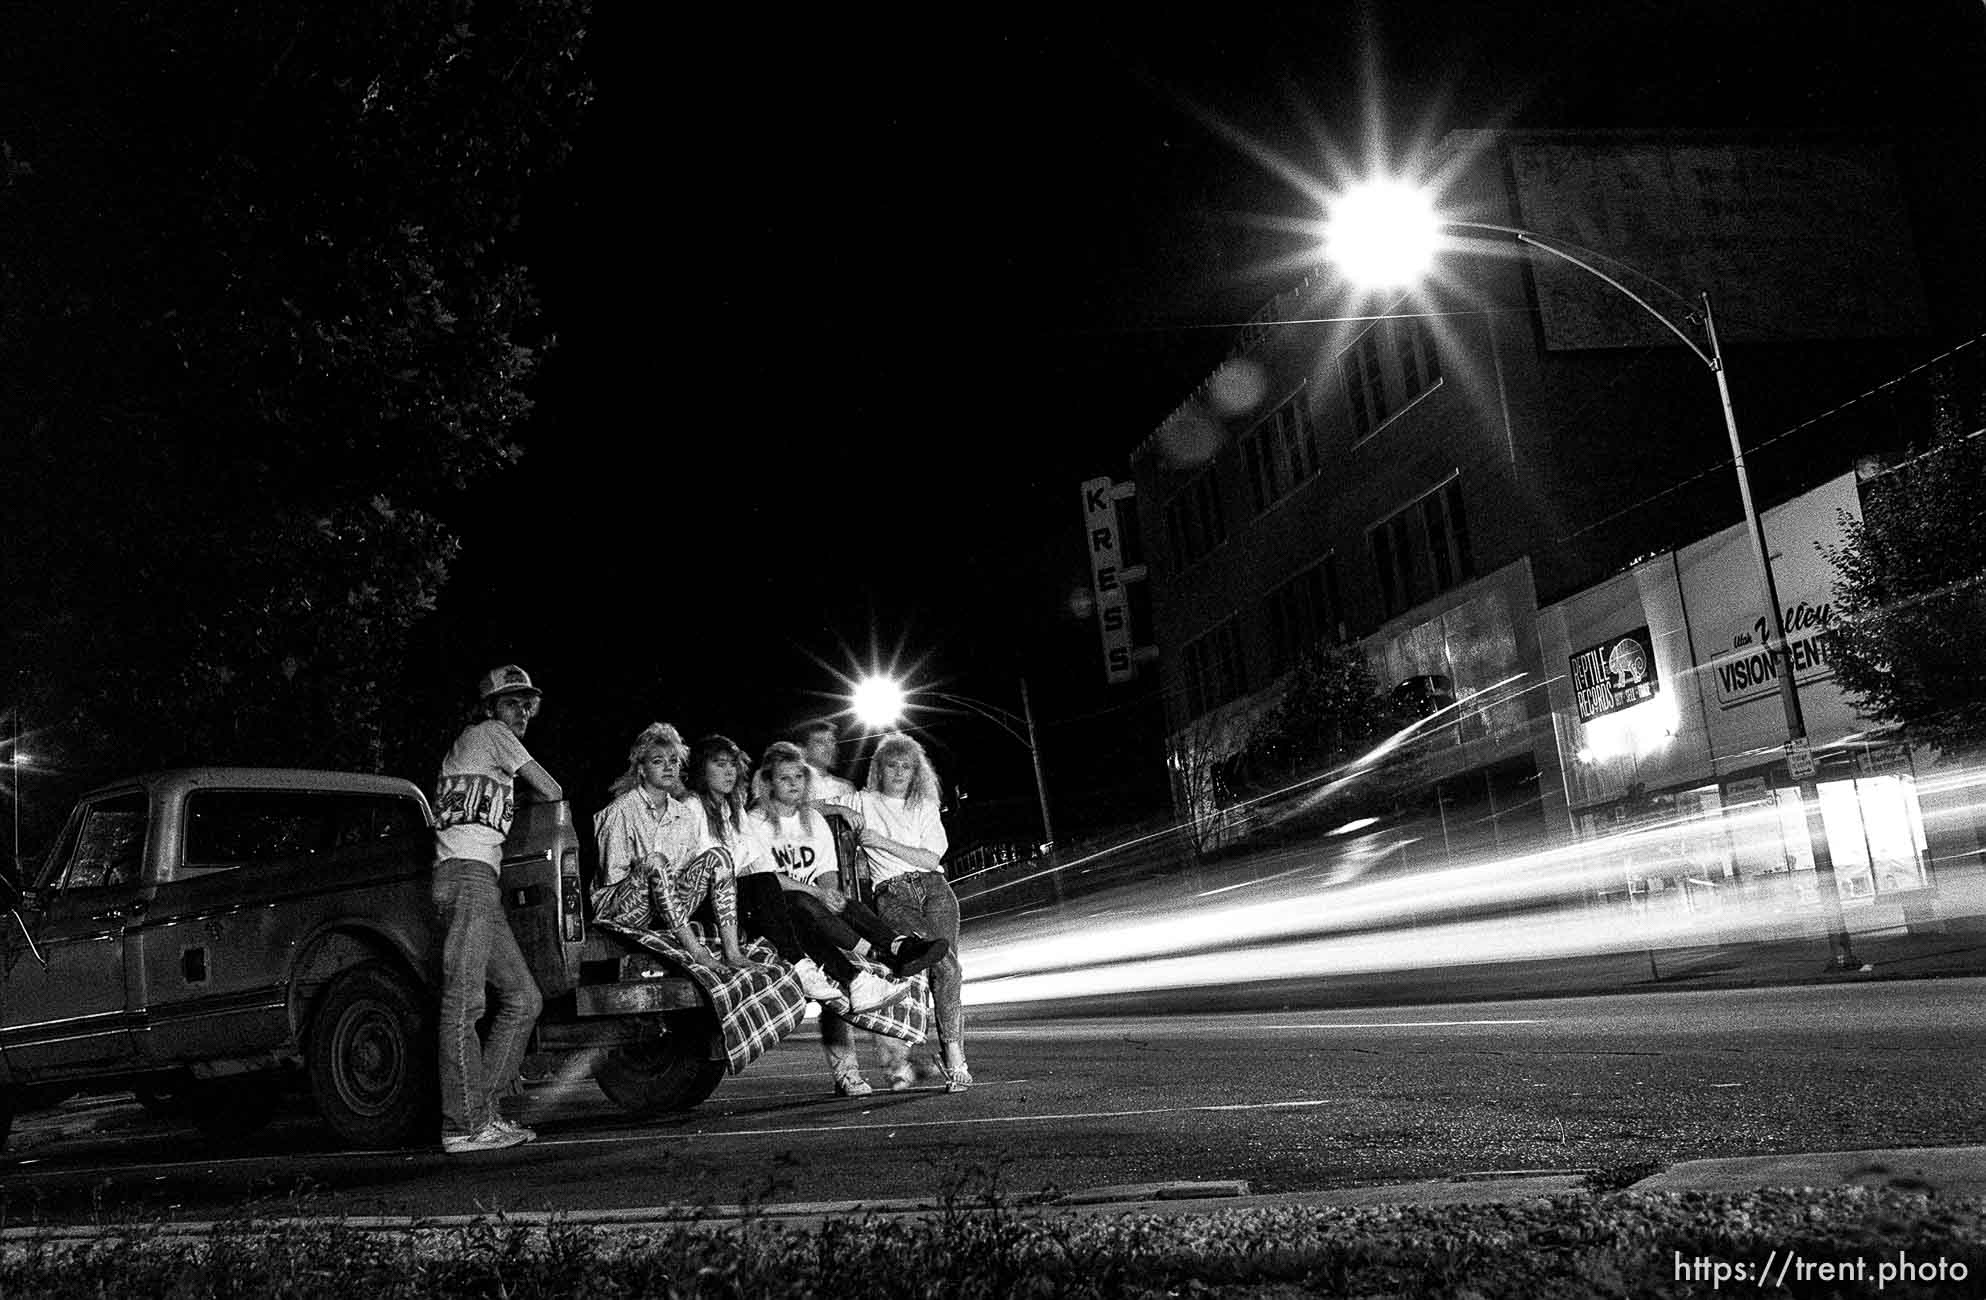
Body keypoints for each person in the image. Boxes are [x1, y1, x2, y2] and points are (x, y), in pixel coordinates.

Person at [749, 740, 950, 1093]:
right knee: (806, 907)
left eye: (799, 777)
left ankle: (896, 952)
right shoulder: (756, 821)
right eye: (785, 778)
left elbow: (828, 873)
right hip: (780, 913)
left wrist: (828, 893)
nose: (795, 784)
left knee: (845, 906)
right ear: (768, 783)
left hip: (818, 911)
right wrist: (817, 893)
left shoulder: (813, 820)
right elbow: (766, 881)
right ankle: (847, 1072)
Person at [430, 664, 560, 1155]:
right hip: (467, 876)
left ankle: (484, 1113)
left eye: (528, 703)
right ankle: (463, 1126)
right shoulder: (491, 734)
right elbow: (550, 788)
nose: (522, 711)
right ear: (491, 708)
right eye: (512, 702)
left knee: (524, 998)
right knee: (465, 1002)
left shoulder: (476, 745)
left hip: (473, 876)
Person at [849, 731, 972, 1093]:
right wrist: (841, 809)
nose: (900, 772)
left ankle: (954, 1055)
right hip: (893, 894)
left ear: (916, 771)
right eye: (892, 765)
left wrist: (881, 842)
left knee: (949, 968)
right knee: (930, 964)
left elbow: (930, 858)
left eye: (907, 766)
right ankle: (921, 1060)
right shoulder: (862, 801)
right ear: (878, 769)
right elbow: (810, 801)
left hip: (935, 890)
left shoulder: (924, 806)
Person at [590, 722, 754, 973]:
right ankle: (697, 952)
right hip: (620, 911)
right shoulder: (619, 812)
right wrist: (654, 877)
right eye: (658, 761)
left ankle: (732, 952)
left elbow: (684, 875)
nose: (668, 767)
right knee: (655, 861)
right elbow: (612, 880)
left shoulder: (683, 814)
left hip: (666, 909)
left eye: (674, 761)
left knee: (720, 856)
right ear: (642, 770)